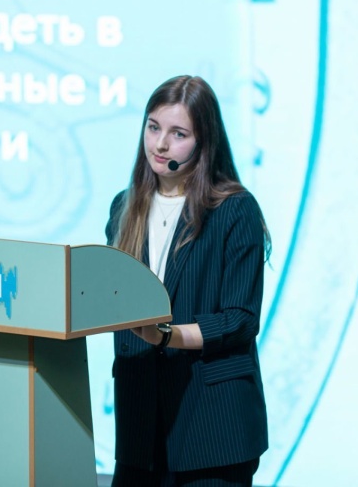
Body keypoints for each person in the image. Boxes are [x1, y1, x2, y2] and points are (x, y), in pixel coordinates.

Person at [106, 75, 271, 487]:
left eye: (178, 134)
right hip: (140, 425)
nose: (160, 144)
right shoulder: (124, 208)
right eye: (153, 127)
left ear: (203, 142)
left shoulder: (234, 210)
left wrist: (167, 335)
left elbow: (240, 319)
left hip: (212, 426)